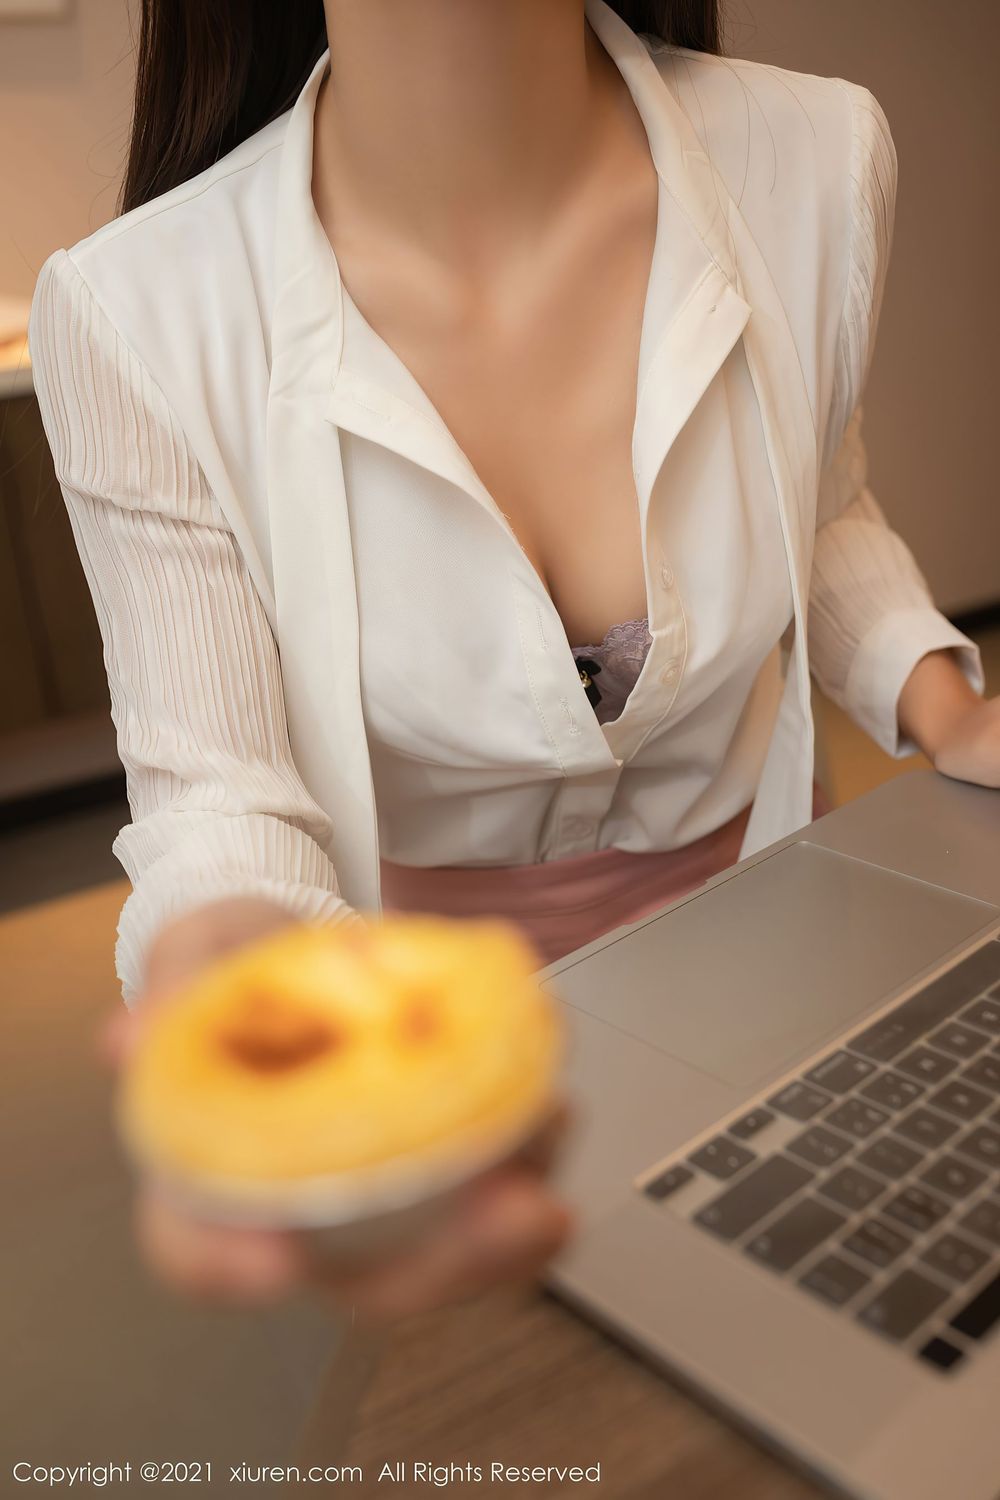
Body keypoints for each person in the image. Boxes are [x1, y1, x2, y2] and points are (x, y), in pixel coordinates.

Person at [29, 0, 998, 1323]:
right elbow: (219, 803)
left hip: (779, 937)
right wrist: (244, 1001)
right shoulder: (134, 310)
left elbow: (817, 500)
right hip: (440, 1060)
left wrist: (945, 702)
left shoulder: (820, 157)